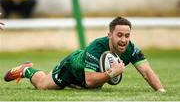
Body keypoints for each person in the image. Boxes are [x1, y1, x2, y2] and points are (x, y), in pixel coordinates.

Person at [4, 16, 166, 92]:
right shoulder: (96, 47)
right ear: (110, 35)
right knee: (43, 86)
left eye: (127, 35)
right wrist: (111, 73)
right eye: (119, 35)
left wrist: (161, 92)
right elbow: (89, 81)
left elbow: (146, 71)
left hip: (88, 77)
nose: (124, 40)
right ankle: (27, 70)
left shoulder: (131, 49)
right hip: (72, 68)